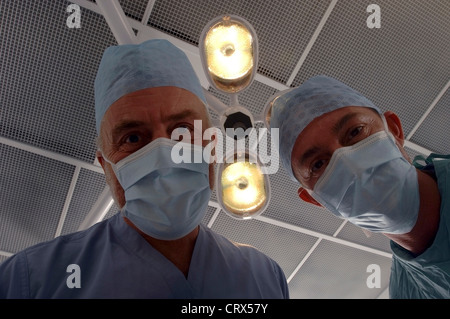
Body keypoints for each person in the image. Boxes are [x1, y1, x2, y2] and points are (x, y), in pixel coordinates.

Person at [0, 39, 289, 299]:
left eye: (183, 131)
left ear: (213, 148)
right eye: (133, 138)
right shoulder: (29, 282)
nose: (165, 153)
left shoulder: (264, 278)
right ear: (107, 166)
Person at [266, 74, 450, 299]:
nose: (349, 164)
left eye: (355, 132)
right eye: (319, 164)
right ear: (316, 199)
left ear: (394, 129)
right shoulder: (407, 291)